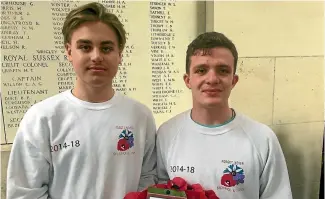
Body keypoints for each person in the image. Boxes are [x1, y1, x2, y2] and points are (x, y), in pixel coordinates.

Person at [7, 2, 157, 199]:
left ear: (120, 54)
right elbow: (24, 193)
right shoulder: (42, 118)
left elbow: (147, 181)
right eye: (85, 47)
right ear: (69, 52)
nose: (96, 56)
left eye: (106, 48)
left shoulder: (140, 116)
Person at [156, 32, 293, 199]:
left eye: (222, 70)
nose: (212, 79)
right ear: (187, 80)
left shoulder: (262, 139)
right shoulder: (167, 134)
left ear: (234, 80)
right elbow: (160, 193)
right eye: (201, 70)